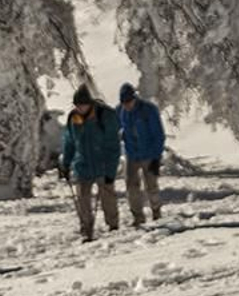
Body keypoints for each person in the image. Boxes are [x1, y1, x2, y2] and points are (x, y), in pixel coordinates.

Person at [61, 85, 122, 241]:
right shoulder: (74, 118)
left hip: (102, 165)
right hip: (82, 165)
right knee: (82, 200)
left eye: (83, 105)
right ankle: (86, 229)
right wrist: (66, 164)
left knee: (107, 196)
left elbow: (113, 146)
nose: (80, 108)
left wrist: (111, 171)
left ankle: (113, 226)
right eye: (77, 105)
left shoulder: (104, 116)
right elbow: (69, 143)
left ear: (89, 103)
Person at [118, 83, 166, 226]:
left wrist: (156, 156)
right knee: (131, 186)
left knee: (151, 185)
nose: (126, 105)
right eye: (124, 102)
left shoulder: (148, 110)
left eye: (128, 101)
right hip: (132, 154)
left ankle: (156, 211)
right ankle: (138, 216)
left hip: (149, 154)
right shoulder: (122, 111)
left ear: (134, 98)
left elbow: (158, 134)